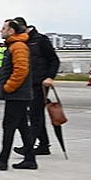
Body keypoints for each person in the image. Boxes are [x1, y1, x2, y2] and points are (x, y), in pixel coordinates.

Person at [0, 19, 36, 170]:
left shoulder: (18, 46)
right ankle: (30, 159)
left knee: (9, 126)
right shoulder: (14, 46)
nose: (1, 31)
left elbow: (21, 71)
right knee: (22, 127)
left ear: (11, 31)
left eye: (3, 28)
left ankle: (2, 160)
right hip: (18, 94)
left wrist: (7, 88)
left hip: (17, 94)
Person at [14, 18, 58, 157]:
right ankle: (43, 145)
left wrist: (50, 77)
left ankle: (29, 147)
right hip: (26, 83)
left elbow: (54, 60)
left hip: (40, 83)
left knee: (34, 114)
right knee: (35, 115)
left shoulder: (40, 40)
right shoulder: (21, 41)